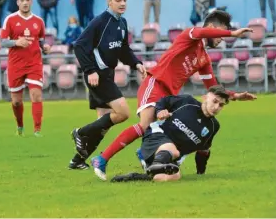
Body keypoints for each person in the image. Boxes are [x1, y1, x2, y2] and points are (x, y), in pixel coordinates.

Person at [91, 10, 257, 180]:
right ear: (211, 27)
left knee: (163, 130)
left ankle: (144, 155)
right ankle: (101, 159)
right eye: (220, 31)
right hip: (156, 83)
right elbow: (200, 32)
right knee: (145, 125)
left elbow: (213, 88)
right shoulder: (190, 36)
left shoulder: (204, 59)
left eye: (224, 33)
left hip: (169, 96)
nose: (221, 37)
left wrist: (234, 95)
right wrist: (232, 33)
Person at [68, 0, 147, 170]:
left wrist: (136, 63)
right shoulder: (99, 22)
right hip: (97, 76)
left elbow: (124, 50)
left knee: (102, 126)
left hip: (106, 75)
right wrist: (90, 70)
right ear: (109, 1)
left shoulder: (122, 23)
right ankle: (80, 132)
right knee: (123, 113)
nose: (122, 4)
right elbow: (79, 45)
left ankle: (77, 160)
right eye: (118, 0)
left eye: (125, 0)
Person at [111, 85, 229, 182]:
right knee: (173, 149)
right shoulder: (187, 102)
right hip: (155, 137)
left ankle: (136, 177)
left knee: (174, 175)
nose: (216, 107)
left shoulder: (213, 126)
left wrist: (200, 172)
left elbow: (204, 150)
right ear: (205, 98)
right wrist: (160, 111)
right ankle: (155, 164)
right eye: (215, 101)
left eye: (221, 105)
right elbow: (164, 101)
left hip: (170, 158)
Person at [1, 0, 51, 137]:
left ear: (31, 1)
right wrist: (17, 42)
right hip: (16, 64)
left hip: (34, 63)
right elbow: (3, 42)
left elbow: (41, 40)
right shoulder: (10, 19)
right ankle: (20, 126)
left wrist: (45, 47)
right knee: (16, 101)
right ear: (17, 2)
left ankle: (37, 130)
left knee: (36, 94)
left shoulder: (39, 21)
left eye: (27, 0)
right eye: (22, 0)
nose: (25, 3)